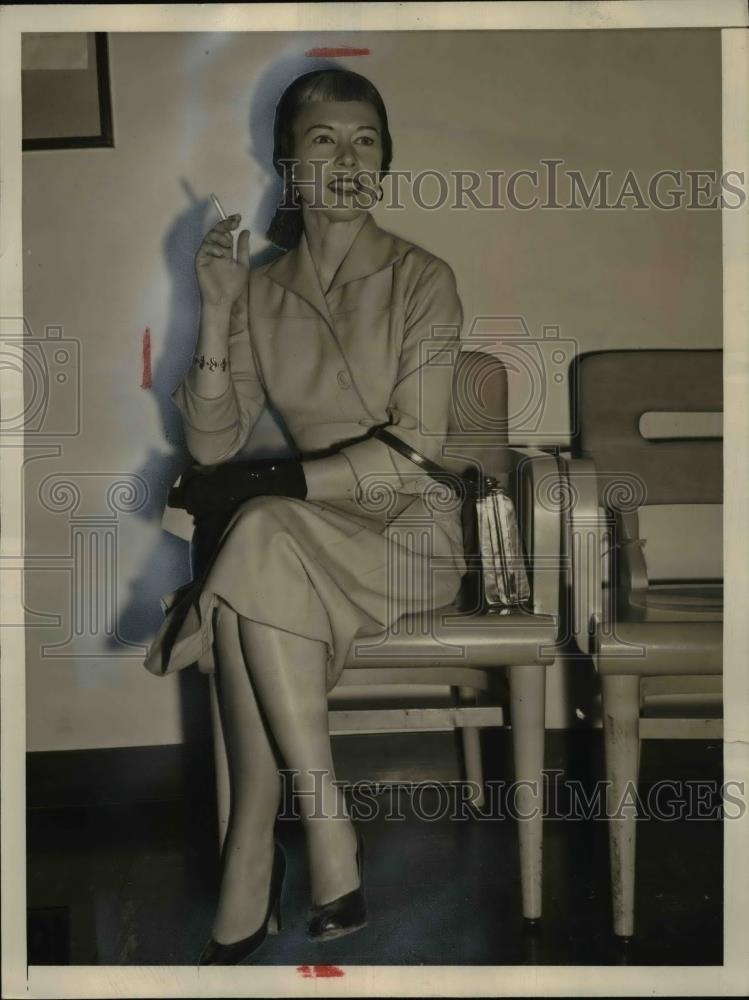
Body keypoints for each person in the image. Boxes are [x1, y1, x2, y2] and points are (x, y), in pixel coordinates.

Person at [143, 68, 466, 965]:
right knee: (260, 541)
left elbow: (416, 449)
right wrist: (214, 314)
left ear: (386, 161)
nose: (347, 157)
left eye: (365, 139)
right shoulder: (260, 286)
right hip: (304, 539)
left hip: (407, 532)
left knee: (255, 538)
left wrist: (273, 488)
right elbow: (210, 447)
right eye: (324, 139)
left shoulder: (421, 279)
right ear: (289, 162)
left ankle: (261, 843)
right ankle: (316, 830)